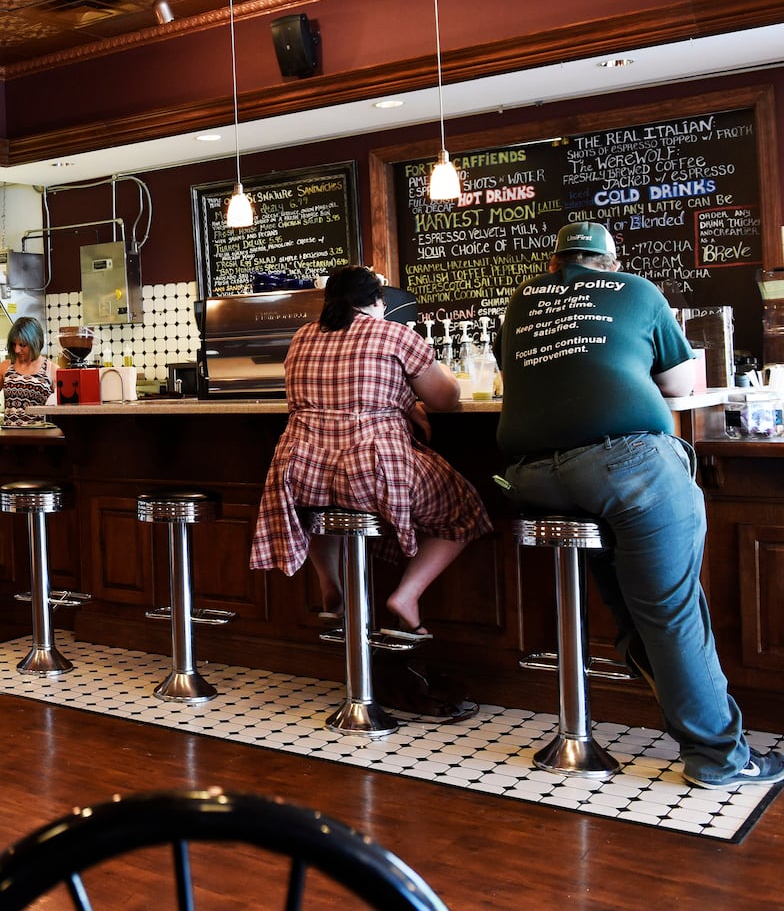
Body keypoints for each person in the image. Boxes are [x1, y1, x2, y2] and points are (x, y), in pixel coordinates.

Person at [496, 221, 781, 788]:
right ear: (610, 262)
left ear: (556, 264)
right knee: (670, 611)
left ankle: (696, 733)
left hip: (527, 479)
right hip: (625, 470)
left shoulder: (521, 300)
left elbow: (521, 381)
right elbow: (679, 386)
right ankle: (718, 759)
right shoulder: (638, 290)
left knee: (636, 608)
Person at [251, 264, 491, 639]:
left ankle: (332, 585)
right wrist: (411, 398)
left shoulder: (301, 337)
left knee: (316, 505)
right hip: (369, 472)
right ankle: (406, 598)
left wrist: (403, 401)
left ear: (328, 302)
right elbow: (446, 399)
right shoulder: (393, 333)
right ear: (378, 303)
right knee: (464, 510)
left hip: (299, 472)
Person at [0, 316, 55, 428]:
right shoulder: (5, 367)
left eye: (22, 345)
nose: (17, 350)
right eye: (14, 344)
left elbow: (63, 408)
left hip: (40, 440)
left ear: (36, 342)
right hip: (10, 438)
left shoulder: (52, 369)